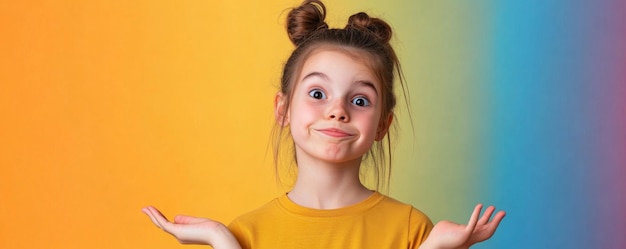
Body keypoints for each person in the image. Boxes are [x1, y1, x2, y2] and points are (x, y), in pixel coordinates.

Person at [142, 1, 505, 248]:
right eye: (317, 94)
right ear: (282, 109)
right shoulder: (245, 233)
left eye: (360, 100)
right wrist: (222, 240)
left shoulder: (413, 230)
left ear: (382, 125)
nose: (337, 111)